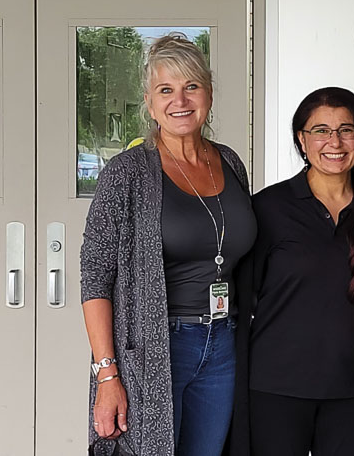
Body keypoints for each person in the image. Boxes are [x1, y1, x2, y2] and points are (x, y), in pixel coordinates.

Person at [81, 34, 256, 456]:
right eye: (166, 90)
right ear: (149, 101)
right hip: (155, 347)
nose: (180, 100)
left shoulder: (230, 162)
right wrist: (107, 375)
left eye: (191, 86)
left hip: (223, 341)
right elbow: (95, 277)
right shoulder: (126, 173)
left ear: (208, 93)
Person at [241, 87, 354, 456]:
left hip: (352, 390)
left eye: (346, 130)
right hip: (276, 389)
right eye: (321, 131)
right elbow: (241, 302)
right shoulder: (268, 208)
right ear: (302, 140)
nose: (334, 142)